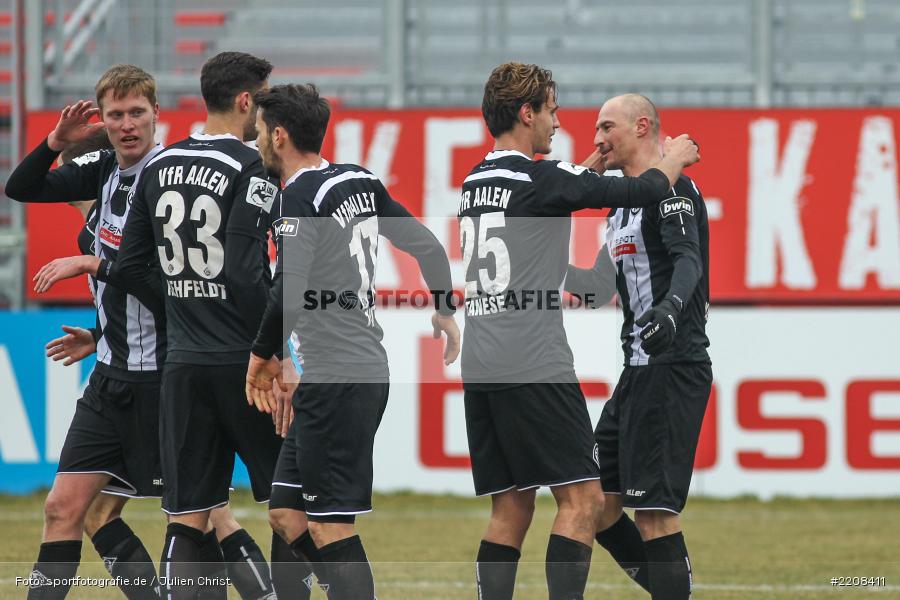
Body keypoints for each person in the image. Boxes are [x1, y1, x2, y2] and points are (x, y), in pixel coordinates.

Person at [459, 62, 700, 600]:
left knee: (511, 506)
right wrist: (675, 159)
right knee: (584, 500)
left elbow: (559, 196)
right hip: (534, 358)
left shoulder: (478, 180)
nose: (558, 123)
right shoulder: (542, 178)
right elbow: (642, 188)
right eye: (552, 111)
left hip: (482, 358)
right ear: (527, 114)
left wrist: (586, 170)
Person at [244, 83, 460, 600]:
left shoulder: (298, 196)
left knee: (329, 527)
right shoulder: (357, 181)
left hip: (338, 377)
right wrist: (445, 309)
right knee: (285, 513)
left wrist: (261, 356)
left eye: (259, 133)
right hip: (346, 371)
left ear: (279, 136)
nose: (256, 142)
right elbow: (428, 245)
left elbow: (289, 289)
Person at [106, 51, 283, 600]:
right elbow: (246, 274)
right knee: (290, 505)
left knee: (187, 516)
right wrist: (272, 350)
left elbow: (128, 265)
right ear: (247, 101)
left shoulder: (159, 166)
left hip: (182, 363)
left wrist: (182, 304)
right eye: (265, 100)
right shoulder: (254, 166)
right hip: (245, 365)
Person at [6, 64, 168, 600]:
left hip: (166, 380)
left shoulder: (168, 182)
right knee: (65, 509)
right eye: (115, 114)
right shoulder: (102, 173)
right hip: (110, 378)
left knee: (204, 517)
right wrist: (54, 142)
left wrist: (92, 264)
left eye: (136, 112)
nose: (126, 124)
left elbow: (170, 292)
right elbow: (20, 187)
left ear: (155, 114)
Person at [565, 93, 711, 600]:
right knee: (597, 505)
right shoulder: (622, 208)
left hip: (673, 366)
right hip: (637, 373)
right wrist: (539, 266)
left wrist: (670, 310)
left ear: (642, 126)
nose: (597, 139)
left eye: (606, 127)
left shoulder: (673, 189)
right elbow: (595, 288)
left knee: (654, 514)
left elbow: (688, 259)